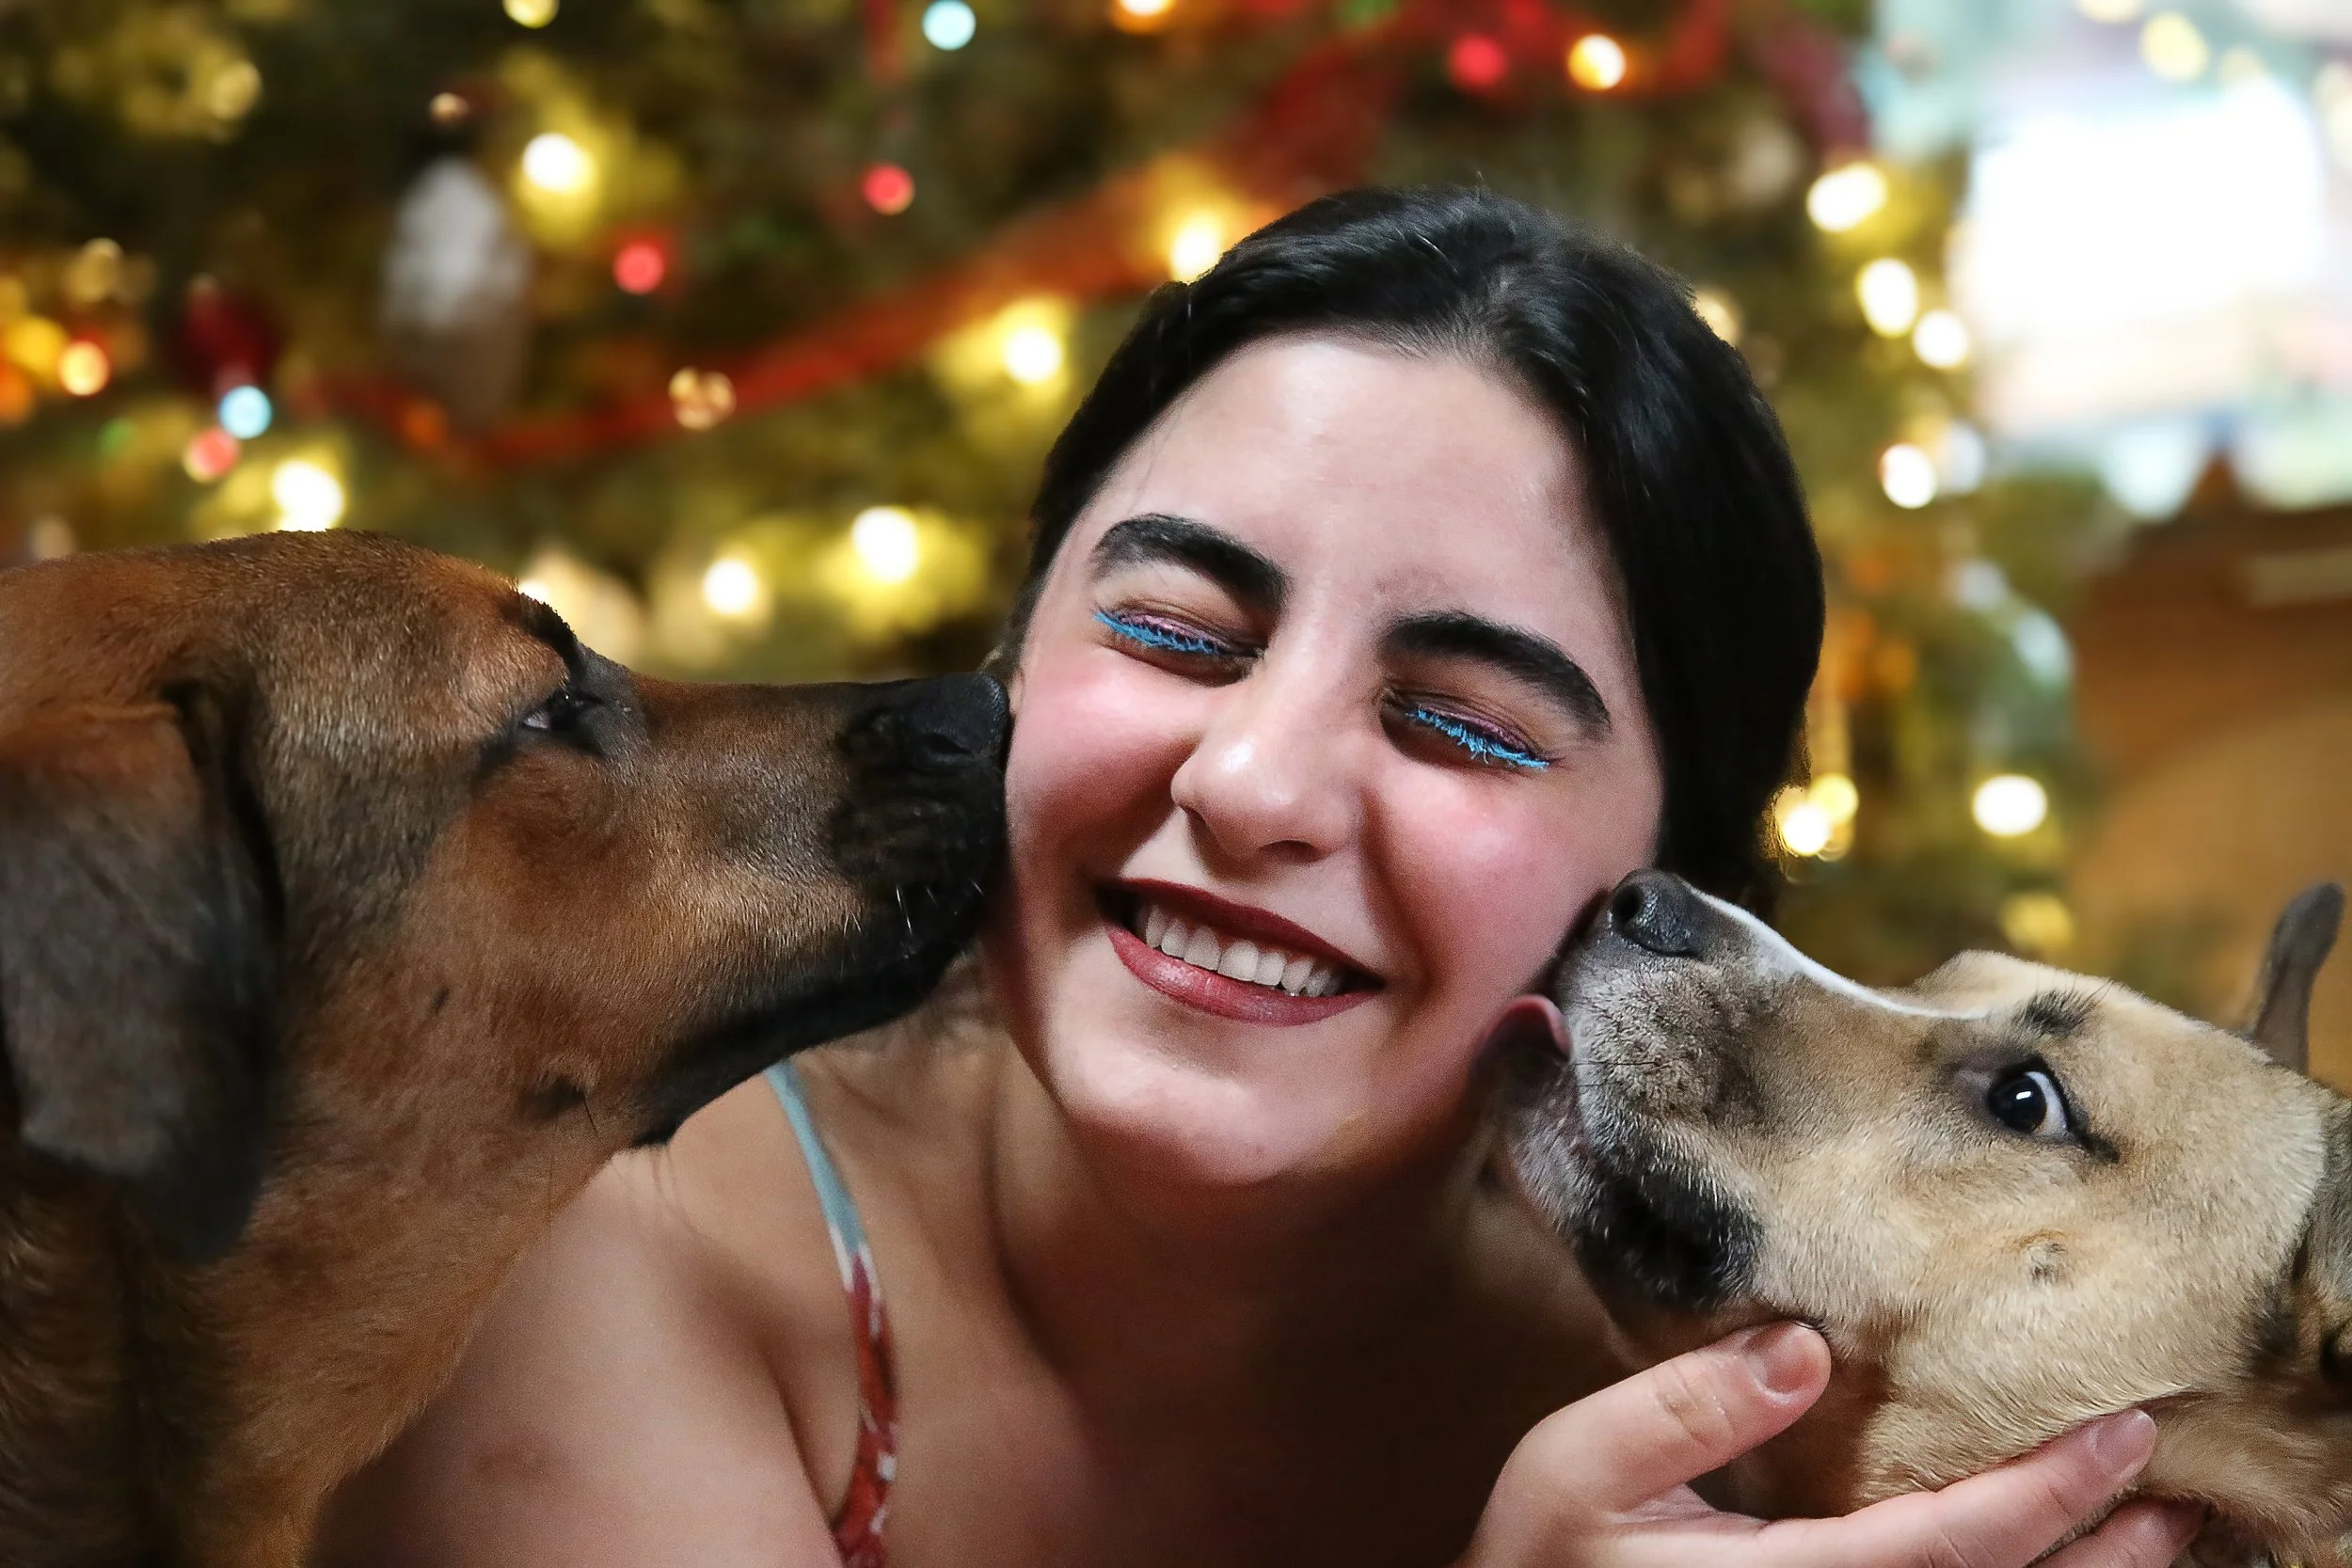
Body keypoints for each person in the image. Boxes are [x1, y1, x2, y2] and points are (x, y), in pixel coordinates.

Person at [322, 187, 2201, 1568]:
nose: (1250, 780)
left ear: (1670, 883)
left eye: (1463, 724)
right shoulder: (606, 1248)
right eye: (1173, 629)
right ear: (1016, 650)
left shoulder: (1762, 1429)